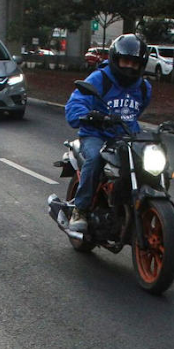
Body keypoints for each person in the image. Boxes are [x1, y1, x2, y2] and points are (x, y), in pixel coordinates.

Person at [65, 34, 152, 232]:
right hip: (96, 134)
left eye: (135, 63)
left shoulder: (144, 87)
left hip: (127, 136)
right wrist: (88, 116)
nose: (130, 67)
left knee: (153, 161)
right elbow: (75, 103)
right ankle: (81, 209)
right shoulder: (99, 79)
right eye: (125, 61)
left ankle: (142, 202)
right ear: (115, 59)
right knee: (95, 158)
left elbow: (137, 111)